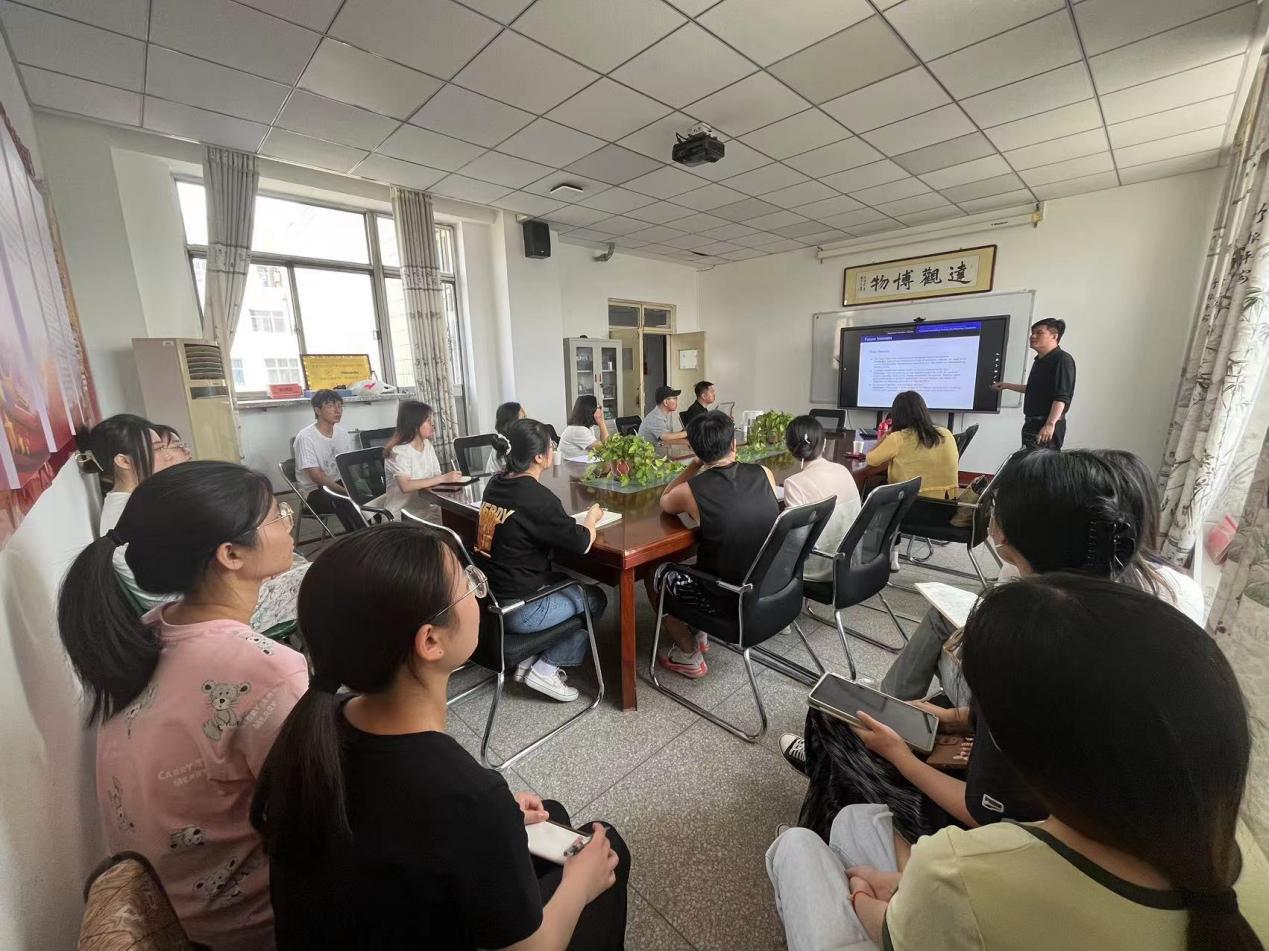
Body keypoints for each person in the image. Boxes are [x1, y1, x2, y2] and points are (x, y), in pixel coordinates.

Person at [769, 575, 1269, 951]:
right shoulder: (1238, 851)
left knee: (795, 847)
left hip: (928, 905)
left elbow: (894, 926)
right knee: (854, 822)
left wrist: (862, 895)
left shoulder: (965, 868)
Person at [251, 522, 630, 951]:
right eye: (467, 584)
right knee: (607, 844)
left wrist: (497, 819)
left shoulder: (317, 728)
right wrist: (581, 883)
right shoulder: (466, 795)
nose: (478, 592)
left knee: (551, 815)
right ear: (430, 641)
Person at [787, 447, 1160, 847]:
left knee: (833, 720)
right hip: (1006, 788)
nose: (991, 520)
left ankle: (823, 840)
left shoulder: (1025, 643)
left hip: (979, 833)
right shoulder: (1121, 613)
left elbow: (989, 817)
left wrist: (901, 757)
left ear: (1028, 533)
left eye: (999, 509)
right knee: (862, 717)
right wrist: (956, 718)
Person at [57, 461, 308, 950]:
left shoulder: (148, 629)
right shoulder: (266, 671)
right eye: (276, 515)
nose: (287, 521)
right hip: (253, 927)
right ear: (230, 554)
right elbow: (311, 820)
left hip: (172, 910)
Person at [869, 447, 1206, 709]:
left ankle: (887, 704)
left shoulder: (1048, 607)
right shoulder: (1172, 589)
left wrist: (904, 755)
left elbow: (1009, 722)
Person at [89, 414, 309, 633]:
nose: (169, 455)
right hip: (204, 613)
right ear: (124, 461)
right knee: (318, 581)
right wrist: (255, 568)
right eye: (158, 449)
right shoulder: (133, 514)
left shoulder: (140, 503)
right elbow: (186, 583)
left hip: (203, 602)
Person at [475, 419, 609, 702]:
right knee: (595, 598)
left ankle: (531, 656)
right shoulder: (536, 497)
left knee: (565, 579)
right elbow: (582, 543)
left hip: (488, 600)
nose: (553, 449)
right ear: (539, 457)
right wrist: (592, 518)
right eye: (551, 445)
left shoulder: (496, 483)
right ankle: (546, 668)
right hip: (519, 610)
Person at [650, 410, 779, 678]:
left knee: (656, 573)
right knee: (710, 560)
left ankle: (689, 653)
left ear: (694, 449)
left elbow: (665, 500)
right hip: (768, 586)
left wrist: (693, 465)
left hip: (726, 597)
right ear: (733, 443)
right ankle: (700, 631)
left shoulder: (692, 490)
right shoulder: (764, 473)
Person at [782, 415, 861, 582]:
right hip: (850, 562)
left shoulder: (794, 484)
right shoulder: (842, 470)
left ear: (789, 448)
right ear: (824, 443)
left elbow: (795, 542)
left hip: (818, 568)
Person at [993, 317, 1076, 449]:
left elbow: (1061, 397)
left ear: (1054, 336)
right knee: (1028, 460)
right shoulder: (1039, 361)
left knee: (1042, 462)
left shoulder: (1062, 360)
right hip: (1031, 424)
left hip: (1046, 425)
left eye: (1039, 333)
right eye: (1032, 333)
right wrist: (1007, 385)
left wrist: (1050, 424)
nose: (1033, 336)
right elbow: (1034, 389)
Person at [376, 400, 464, 519]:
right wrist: (443, 478)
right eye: (428, 420)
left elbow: (435, 476)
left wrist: (452, 483)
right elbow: (406, 486)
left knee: (460, 520)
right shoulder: (397, 451)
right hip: (401, 516)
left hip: (425, 511)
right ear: (414, 424)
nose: (433, 424)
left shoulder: (427, 445)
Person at [864, 390, 959, 500]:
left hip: (912, 503)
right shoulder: (946, 433)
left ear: (897, 415)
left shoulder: (898, 438)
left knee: (869, 492)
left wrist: (886, 434)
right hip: (947, 503)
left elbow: (870, 459)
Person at [293, 389, 359, 531]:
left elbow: (348, 466)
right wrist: (347, 492)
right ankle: (362, 538)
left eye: (340, 406)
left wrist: (358, 485)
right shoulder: (305, 437)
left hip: (339, 483)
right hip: (314, 492)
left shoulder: (342, 434)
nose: (337, 410)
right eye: (330, 406)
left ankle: (378, 532)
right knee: (348, 501)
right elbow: (317, 478)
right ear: (317, 410)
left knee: (372, 494)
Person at [557, 394, 610, 459]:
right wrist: (601, 422)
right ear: (590, 410)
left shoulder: (586, 427)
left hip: (579, 463)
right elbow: (606, 447)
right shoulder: (578, 430)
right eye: (598, 408)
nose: (601, 411)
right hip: (571, 465)